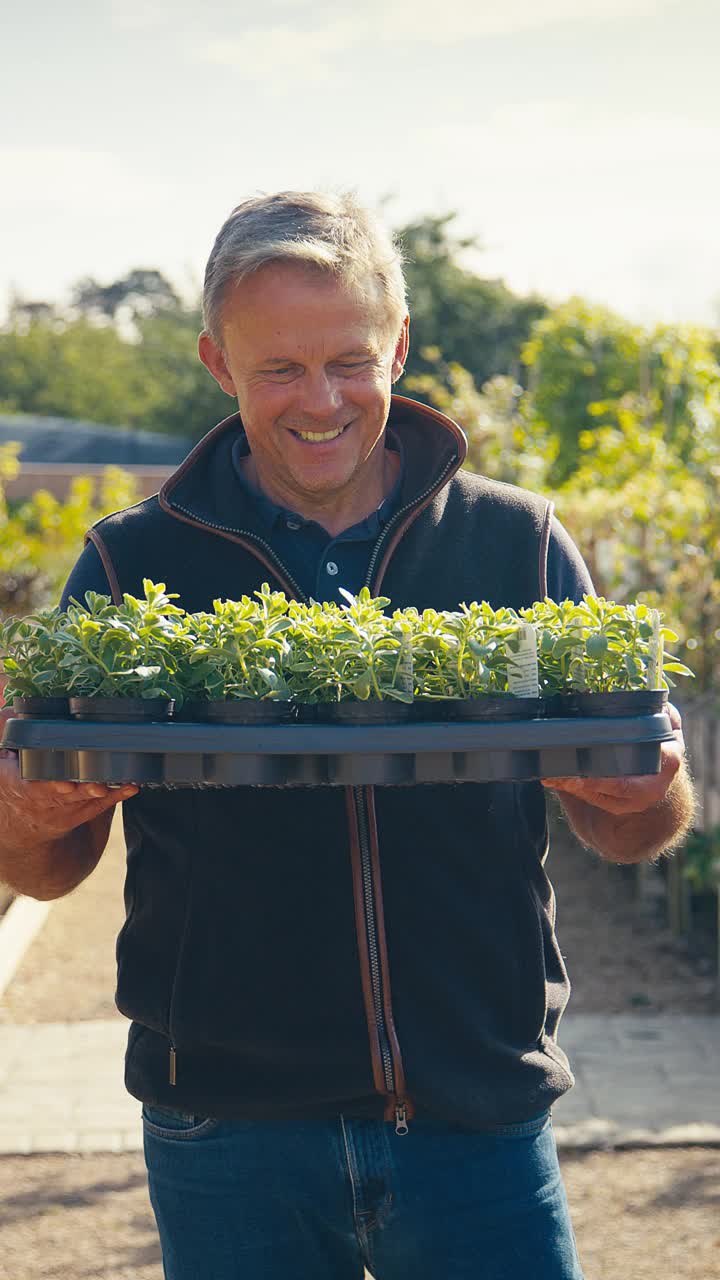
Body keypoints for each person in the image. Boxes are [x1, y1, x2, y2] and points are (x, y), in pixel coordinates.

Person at [0, 192, 693, 1280]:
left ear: (401, 346)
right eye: (278, 367)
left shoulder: (518, 541)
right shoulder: (134, 564)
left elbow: (640, 825)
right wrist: (23, 816)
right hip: (224, 1123)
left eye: (350, 360)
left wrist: (639, 794)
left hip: (478, 1114)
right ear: (217, 363)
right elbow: (48, 865)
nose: (319, 399)